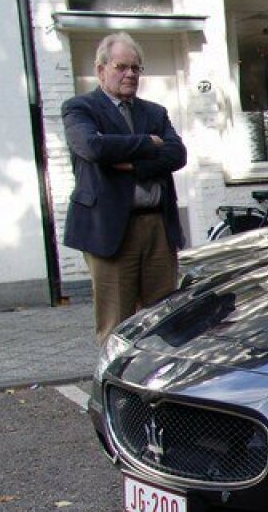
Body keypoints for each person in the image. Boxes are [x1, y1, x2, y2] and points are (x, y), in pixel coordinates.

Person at [62, 32, 187, 342]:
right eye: (121, 67)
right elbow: (94, 148)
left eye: (136, 68)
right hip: (111, 230)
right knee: (117, 326)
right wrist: (148, 143)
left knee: (165, 319)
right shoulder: (80, 109)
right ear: (101, 68)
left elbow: (177, 154)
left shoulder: (153, 112)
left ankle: (159, 387)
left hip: (158, 226)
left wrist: (133, 163)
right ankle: (118, 388)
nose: (130, 74)